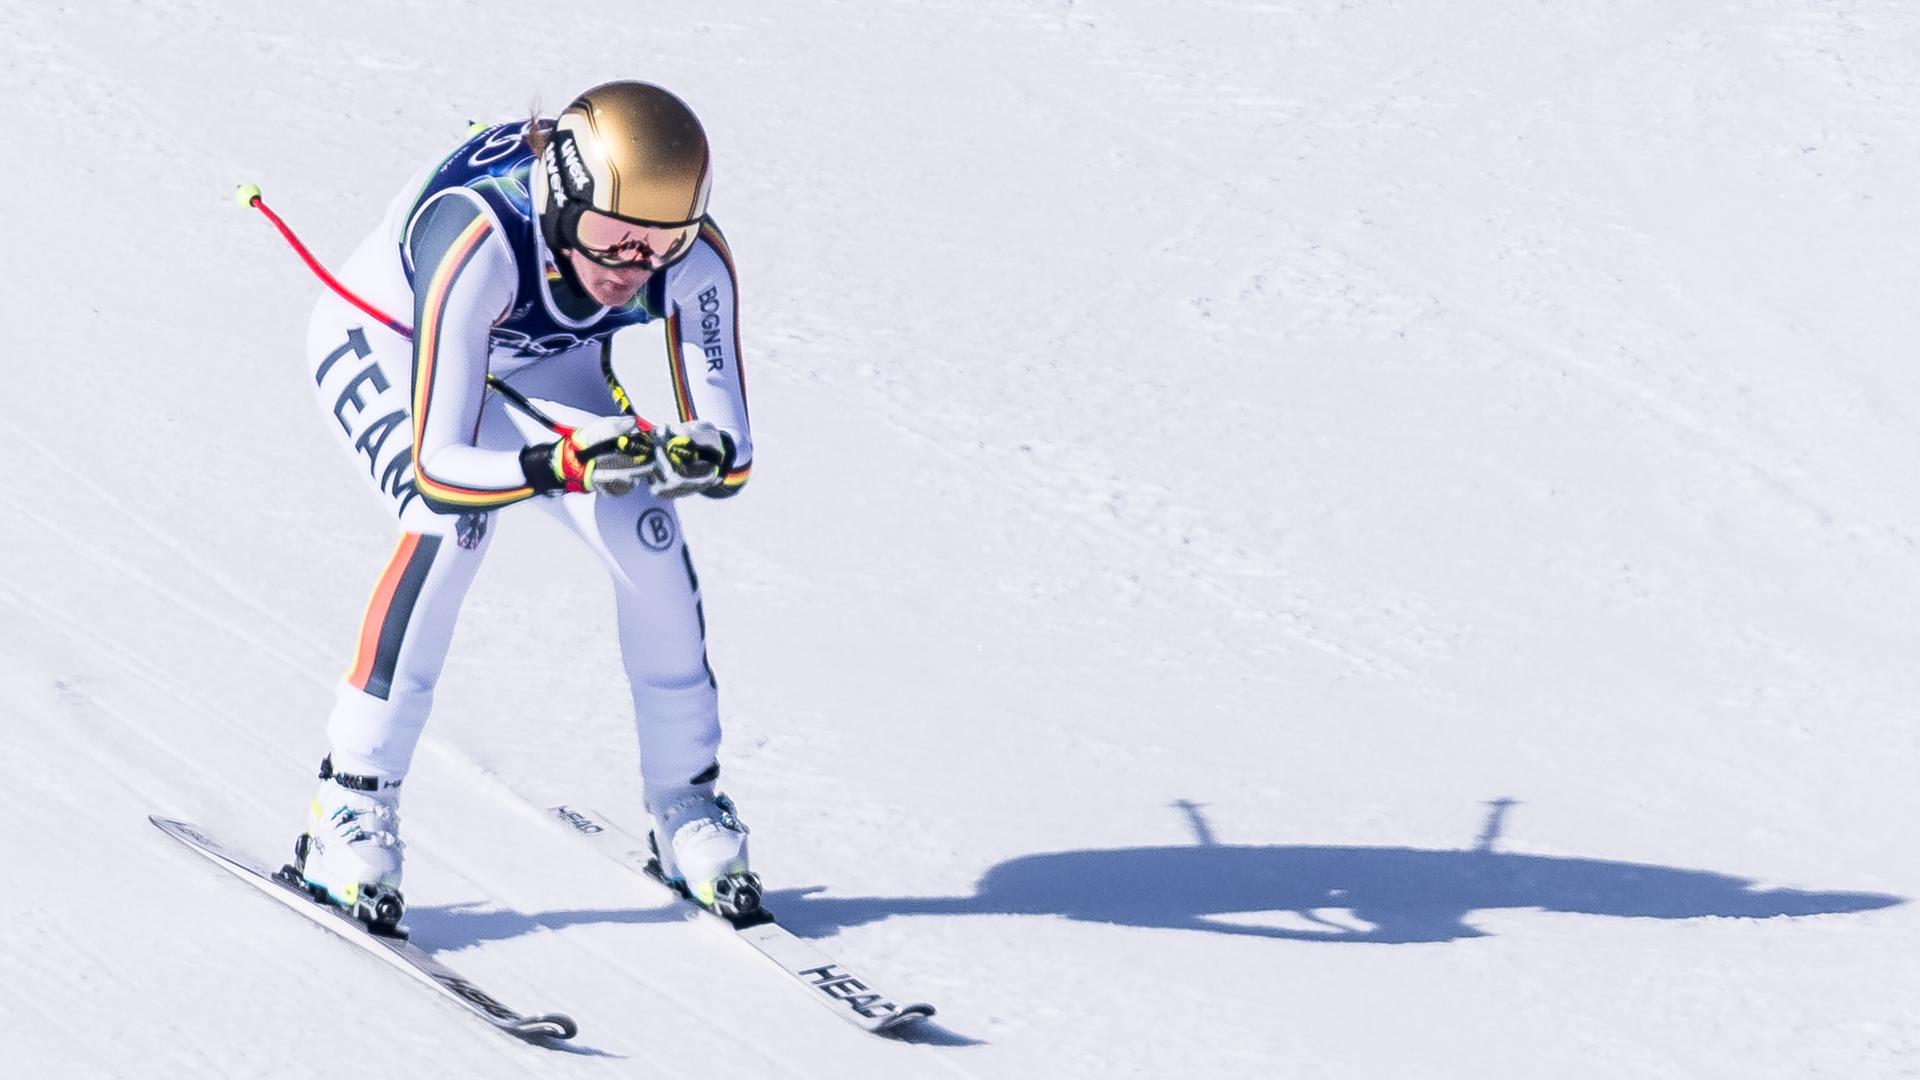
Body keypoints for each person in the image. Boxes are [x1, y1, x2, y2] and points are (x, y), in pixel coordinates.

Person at [293, 80, 757, 930]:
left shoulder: (694, 262)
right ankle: (349, 802)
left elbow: (732, 450)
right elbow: (440, 467)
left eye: (662, 244)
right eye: (611, 238)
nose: (632, 268)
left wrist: (695, 455)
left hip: (542, 359)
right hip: (393, 339)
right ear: (563, 196)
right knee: (451, 525)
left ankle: (686, 800)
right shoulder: (479, 237)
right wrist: (560, 463)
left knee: (649, 527)